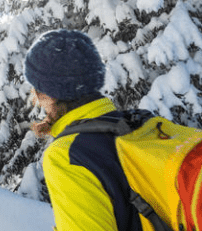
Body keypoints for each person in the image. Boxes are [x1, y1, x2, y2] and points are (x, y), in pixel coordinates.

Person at [23, 29, 142, 230]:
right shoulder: (138, 123)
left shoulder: (67, 155)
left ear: (50, 95)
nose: (38, 103)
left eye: (37, 92)